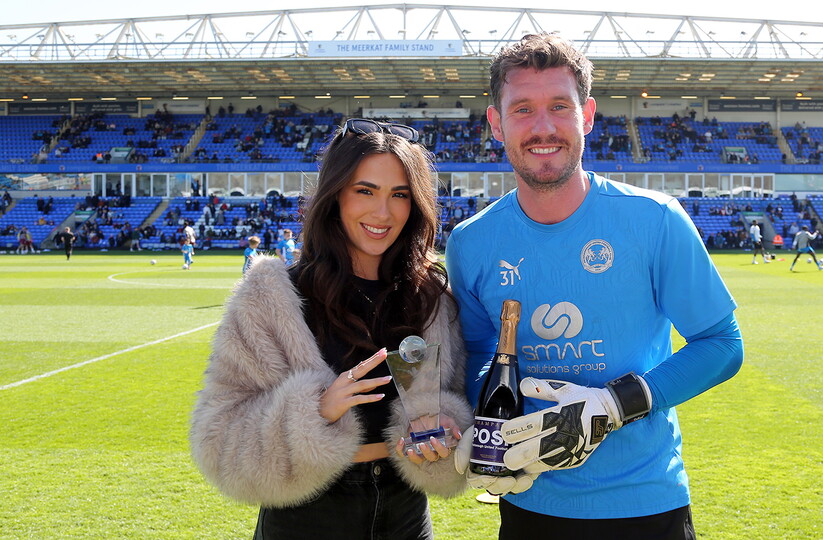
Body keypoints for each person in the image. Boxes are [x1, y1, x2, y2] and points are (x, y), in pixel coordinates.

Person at [446, 33, 743, 539]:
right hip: (530, 500)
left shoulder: (655, 220)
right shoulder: (470, 243)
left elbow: (722, 344)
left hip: (646, 504)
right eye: (522, 109)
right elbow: (478, 356)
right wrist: (490, 433)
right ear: (496, 123)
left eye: (559, 106)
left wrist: (617, 403)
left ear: (587, 115)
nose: (543, 127)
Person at [190, 118, 472, 540]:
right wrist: (316, 411)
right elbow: (217, 438)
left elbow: (462, 402)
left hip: (406, 514)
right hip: (306, 518)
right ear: (335, 193)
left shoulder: (432, 298)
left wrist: (444, 428)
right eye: (365, 191)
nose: (383, 212)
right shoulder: (271, 297)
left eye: (399, 194)